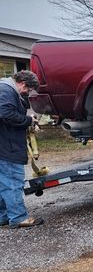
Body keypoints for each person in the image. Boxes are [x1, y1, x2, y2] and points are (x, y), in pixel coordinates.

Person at [0, 70, 44, 228]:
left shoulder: (5, 89)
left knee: (4, 183)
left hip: (4, 144)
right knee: (12, 182)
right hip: (7, 146)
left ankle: (3, 216)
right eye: (28, 90)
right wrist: (27, 121)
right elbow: (5, 113)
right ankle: (18, 217)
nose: (27, 93)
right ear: (23, 84)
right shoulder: (6, 90)